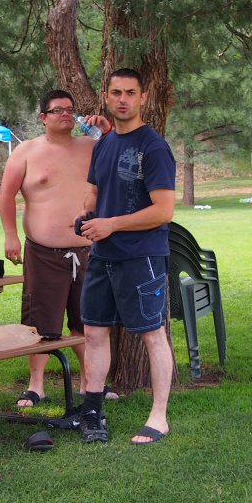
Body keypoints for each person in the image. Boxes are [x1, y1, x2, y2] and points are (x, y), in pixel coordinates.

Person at [75, 68, 176, 445]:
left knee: (152, 335)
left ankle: (159, 417)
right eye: (116, 92)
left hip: (141, 255)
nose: (122, 100)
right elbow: (94, 192)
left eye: (130, 93)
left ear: (143, 98)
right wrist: (86, 215)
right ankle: (92, 413)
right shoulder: (103, 144)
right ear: (106, 96)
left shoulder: (154, 147)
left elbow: (164, 211)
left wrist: (112, 224)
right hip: (104, 253)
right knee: (94, 331)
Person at [0, 89, 99, 408]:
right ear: (43, 117)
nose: (66, 114)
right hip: (43, 251)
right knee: (39, 323)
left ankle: (90, 382)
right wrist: (10, 236)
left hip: (87, 250)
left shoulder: (92, 147)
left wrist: (106, 131)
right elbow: (6, 195)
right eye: (57, 110)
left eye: (70, 109)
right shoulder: (26, 151)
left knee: (87, 321)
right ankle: (36, 385)